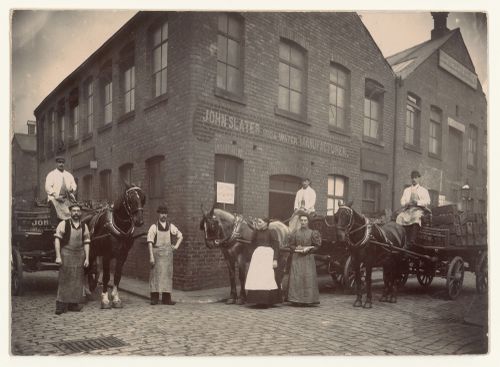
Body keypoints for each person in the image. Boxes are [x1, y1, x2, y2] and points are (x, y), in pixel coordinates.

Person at [54, 203, 90, 315]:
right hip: (66, 254)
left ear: (80, 213)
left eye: (78, 211)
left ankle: (73, 304)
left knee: (77, 279)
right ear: (70, 212)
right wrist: (58, 256)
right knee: (65, 279)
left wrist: (87, 258)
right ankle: (60, 304)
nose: (75, 213)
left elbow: (87, 242)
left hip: (79, 255)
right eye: (73, 210)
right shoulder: (63, 224)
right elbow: (57, 240)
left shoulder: (84, 226)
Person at [147, 205, 183, 305]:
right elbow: (150, 242)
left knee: (167, 276)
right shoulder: (154, 227)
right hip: (156, 254)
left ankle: (166, 299)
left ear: (167, 214)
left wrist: (176, 247)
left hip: (167, 255)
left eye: (165, 213)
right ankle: (154, 298)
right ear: (158, 214)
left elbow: (180, 236)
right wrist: (151, 256)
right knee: (155, 276)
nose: (163, 215)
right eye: (162, 213)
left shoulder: (171, 226)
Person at [245, 218, 282, 308]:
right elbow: (252, 245)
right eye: (257, 222)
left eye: (260, 222)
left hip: (268, 256)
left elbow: (276, 246)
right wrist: (252, 255)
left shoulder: (271, 232)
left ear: (266, 223)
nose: (258, 223)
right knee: (257, 277)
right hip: (258, 257)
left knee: (266, 277)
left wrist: (275, 259)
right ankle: (257, 300)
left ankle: (267, 300)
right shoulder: (256, 233)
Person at [286, 213, 321, 306]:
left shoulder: (312, 233)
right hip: (297, 258)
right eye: (301, 220)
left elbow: (317, 245)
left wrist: (309, 249)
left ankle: (308, 300)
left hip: (308, 258)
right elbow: (291, 244)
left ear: (308, 222)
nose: (303, 222)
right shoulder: (295, 232)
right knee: (297, 277)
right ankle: (296, 299)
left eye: (305, 220)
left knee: (307, 277)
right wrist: (296, 248)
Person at [396, 170, 431, 248]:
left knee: (416, 217)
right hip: (408, 209)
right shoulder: (407, 190)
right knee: (399, 217)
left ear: (419, 179)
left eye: (415, 178)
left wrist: (418, 202)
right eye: (412, 178)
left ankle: (412, 240)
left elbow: (428, 201)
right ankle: (400, 238)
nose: (413, 179)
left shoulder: (423, 190)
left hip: (419, 209)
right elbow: (402, 201)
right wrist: (406, 203)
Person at [45, 156, 77, 226]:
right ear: (56, 164)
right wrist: (55, 195)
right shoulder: (51, 174)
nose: (61, 164)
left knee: (75, 209)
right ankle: (55, 225)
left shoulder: (69, 175)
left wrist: (71, 190)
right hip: (55, 198)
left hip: (67, 198)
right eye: (59, 162)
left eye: (62, 163)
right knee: (54, 207)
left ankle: (73, 224)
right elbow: (48, 187)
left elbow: (74, 185)